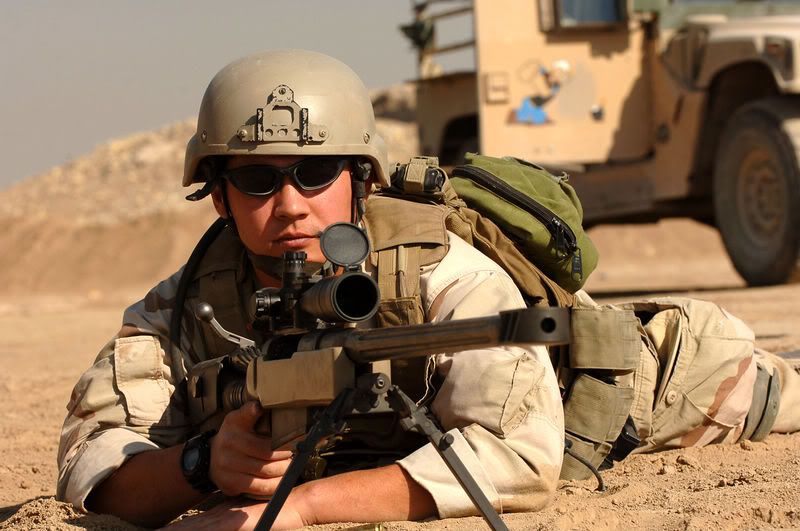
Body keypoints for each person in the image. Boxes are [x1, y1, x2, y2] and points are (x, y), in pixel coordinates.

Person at [56, 50, 565, 529]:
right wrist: (202, 464)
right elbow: (90, 463)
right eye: (257, 180)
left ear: (362, 182)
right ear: (220, 198)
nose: (290, 206)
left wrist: (304, 505)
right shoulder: (184, 305)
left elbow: (520, 456)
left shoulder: (442, 276)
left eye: (316, 174)